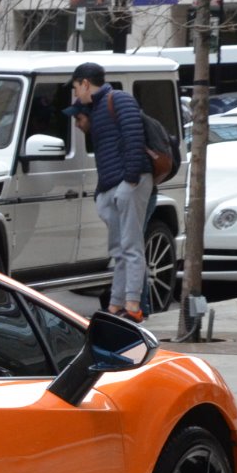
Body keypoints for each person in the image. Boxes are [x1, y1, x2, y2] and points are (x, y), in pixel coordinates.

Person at [71, 61, 152, 323]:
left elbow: (134, 137)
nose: (76, 95)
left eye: (75, 88)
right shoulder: (98, 108)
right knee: (119, 249)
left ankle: (132, 304)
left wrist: (129, 181)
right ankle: (117, 305)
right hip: (116, 183)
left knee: (130, 246)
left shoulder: (118, 100)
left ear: (84, 83)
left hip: (129, 182)